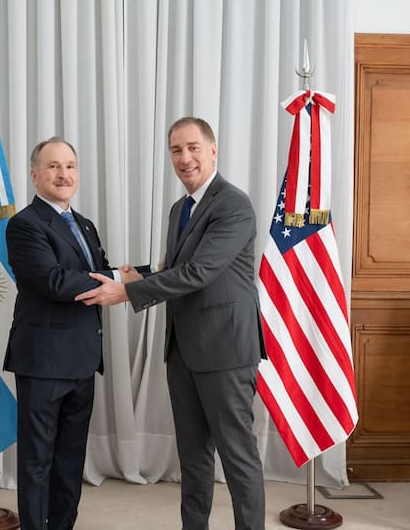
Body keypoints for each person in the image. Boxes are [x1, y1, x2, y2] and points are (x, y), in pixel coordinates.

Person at [75, 117, 267, 530]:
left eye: (194, 148)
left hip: (226, 350)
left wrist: (125, 293)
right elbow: (176, 266)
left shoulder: (233, 204)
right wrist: (138, 274)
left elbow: (199, 272)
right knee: (193, 458)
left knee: (238, 457)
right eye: (176, 150)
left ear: (213, 151)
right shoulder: (179, 209)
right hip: (182, 349)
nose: (185, 158)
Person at [4, 137, 133, 530]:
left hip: (82, 359)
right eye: (54, 166)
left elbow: (103, 270)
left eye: (70, 166)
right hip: (42, 362)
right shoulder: (23, 225)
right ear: (35, 175)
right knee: (37, 460)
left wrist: (145, 273)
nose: (64, 174)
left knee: (70, 459)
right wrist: (119, 280)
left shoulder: (85, 224)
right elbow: (55, 281)